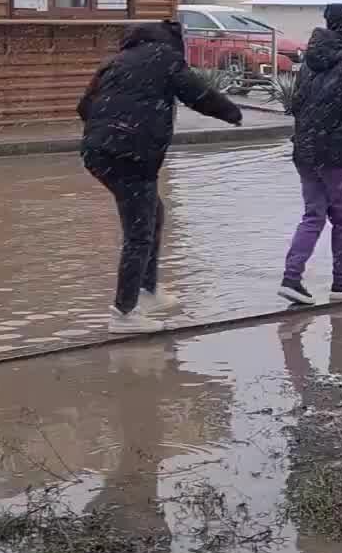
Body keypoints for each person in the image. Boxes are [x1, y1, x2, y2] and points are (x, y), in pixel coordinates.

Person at [79, 20, 242, 332]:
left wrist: (108, 128)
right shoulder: (164, 58)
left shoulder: (116, 62)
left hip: (98, 151)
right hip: (130, 154)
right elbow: (199, 94)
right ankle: (124, 314)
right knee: (139, 232)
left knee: (153, 214)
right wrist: (231, 113)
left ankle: (147, 291)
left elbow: (84, 107)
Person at [279, 2, 342, 306]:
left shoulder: (308, 63)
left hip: (305, 152)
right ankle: (341, 283)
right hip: (337, 156)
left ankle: (291, 278)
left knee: (313, 215)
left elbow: (295, 105)